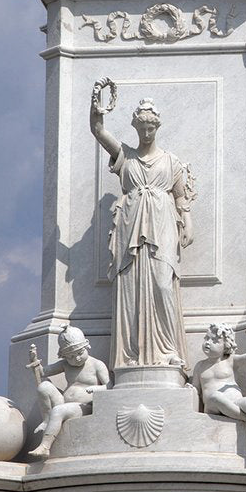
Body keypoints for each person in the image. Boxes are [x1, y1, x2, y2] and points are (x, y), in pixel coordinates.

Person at [90, 90, 194, 369]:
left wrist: (188, 222)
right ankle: (133, 352)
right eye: (142, 128)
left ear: (156, 128)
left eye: (151, 128)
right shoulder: (126, 156)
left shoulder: (171, 162)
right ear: (136, 128)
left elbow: (181, 197)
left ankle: (168, 348)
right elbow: (98, 131)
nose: (147, 133)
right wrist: (97, 107)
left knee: (163, 284)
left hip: (163, 221)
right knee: (132, 287)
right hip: (131, 222)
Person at [28, 326, 110, 457]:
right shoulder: (65, 364)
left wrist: (97, 388)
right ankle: (46, 420)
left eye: (79, 353)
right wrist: (34, 362)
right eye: (70, 356)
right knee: (44, 386)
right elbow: (43, 372)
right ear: (64, 356)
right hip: (63, 401)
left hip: (84, 407)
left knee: (59, 410)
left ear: (87, 346)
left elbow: (110, 386)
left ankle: (45, 446)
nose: (76, 358)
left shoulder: (97, 364)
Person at [193, 322, 246, 451]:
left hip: (235, 400)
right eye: (207, 338)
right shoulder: (200, 366)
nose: (208, 342)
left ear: (226, 346)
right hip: (212, 405)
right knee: (216, 396)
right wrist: (190, 388)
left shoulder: (230, 360)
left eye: (214, 340)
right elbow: (196, 388)